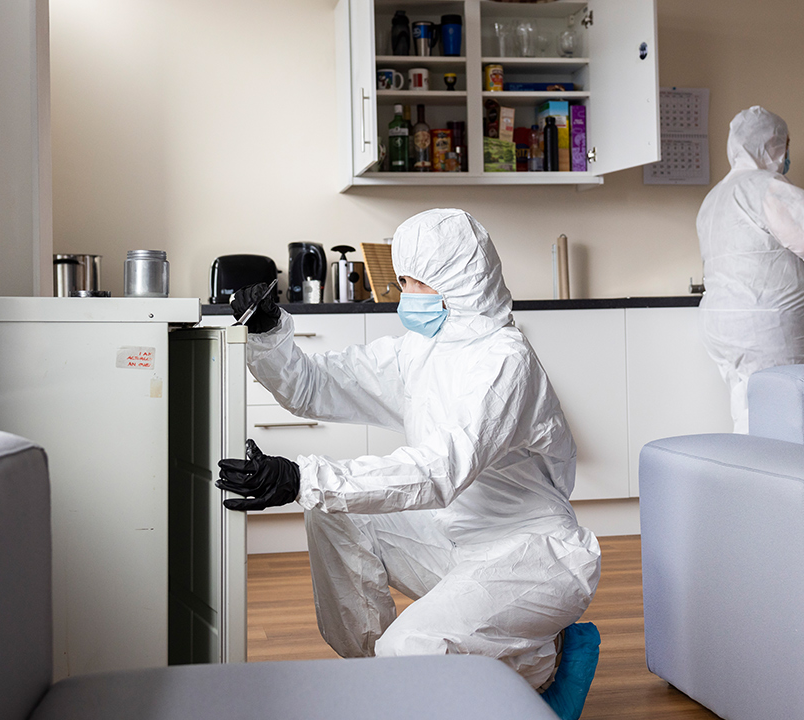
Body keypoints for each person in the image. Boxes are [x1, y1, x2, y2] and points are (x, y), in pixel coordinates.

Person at [217, 209, 601, 719]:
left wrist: (302, 477)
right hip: (458, 539)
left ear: (452, 279)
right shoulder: (424, 350)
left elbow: (437, 471)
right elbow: (315, 386)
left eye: (409, 280)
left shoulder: (503, 362)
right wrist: (267, 331)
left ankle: (548, 664)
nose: (402, 294)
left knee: (412, 648)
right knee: (336, 514)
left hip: (532, 553)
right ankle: (381, 685)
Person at [697, 106, 804, 433]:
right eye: (785, 144)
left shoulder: (715, 196)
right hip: (770, 328)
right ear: (771, 144)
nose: (787, 153)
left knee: (749, 414)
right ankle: (781, 483)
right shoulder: (766, 186)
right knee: (786, 419)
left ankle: (753, 481)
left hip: (725, 327)